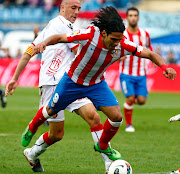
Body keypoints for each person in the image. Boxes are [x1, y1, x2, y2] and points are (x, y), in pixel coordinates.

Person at [8, 5, 176, 172]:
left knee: (113, 117)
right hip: (71, 82)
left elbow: (149, 53)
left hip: (95, 85)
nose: (117, 44)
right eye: (114, 40)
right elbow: (59, 38)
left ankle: (104, 150)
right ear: (103, 34)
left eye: (120, 40)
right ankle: (32, 129)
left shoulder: (122, 44)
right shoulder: (87, 34)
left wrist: (164, 67)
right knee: (53, 121)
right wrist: (43, 42)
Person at [5, 0, 112, 173]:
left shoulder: (50, 26)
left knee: (93, 117)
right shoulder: (62, 26)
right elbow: (79, 52)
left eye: (78, 9)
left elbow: (28, 52)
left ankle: (109, 164)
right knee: (56, 134)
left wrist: (14, 78)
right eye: (73, 8)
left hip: (69, 83)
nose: (76, 12)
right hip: (51, 84)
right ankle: (32, 154)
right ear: (62, 7)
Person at [119, 7, 153, 132]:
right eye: (131, 15)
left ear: (138, 17)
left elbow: (149, 49)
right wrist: (118, 57)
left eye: (135, 15)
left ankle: (127, 106)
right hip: (126, 73)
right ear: (127, 18)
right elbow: (115, 51)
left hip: (141, 74)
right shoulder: (122, 35)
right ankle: (129, 124)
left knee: (142, 100)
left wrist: (154, 61)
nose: (133, 17)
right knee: (130, 97)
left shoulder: (145, 34)